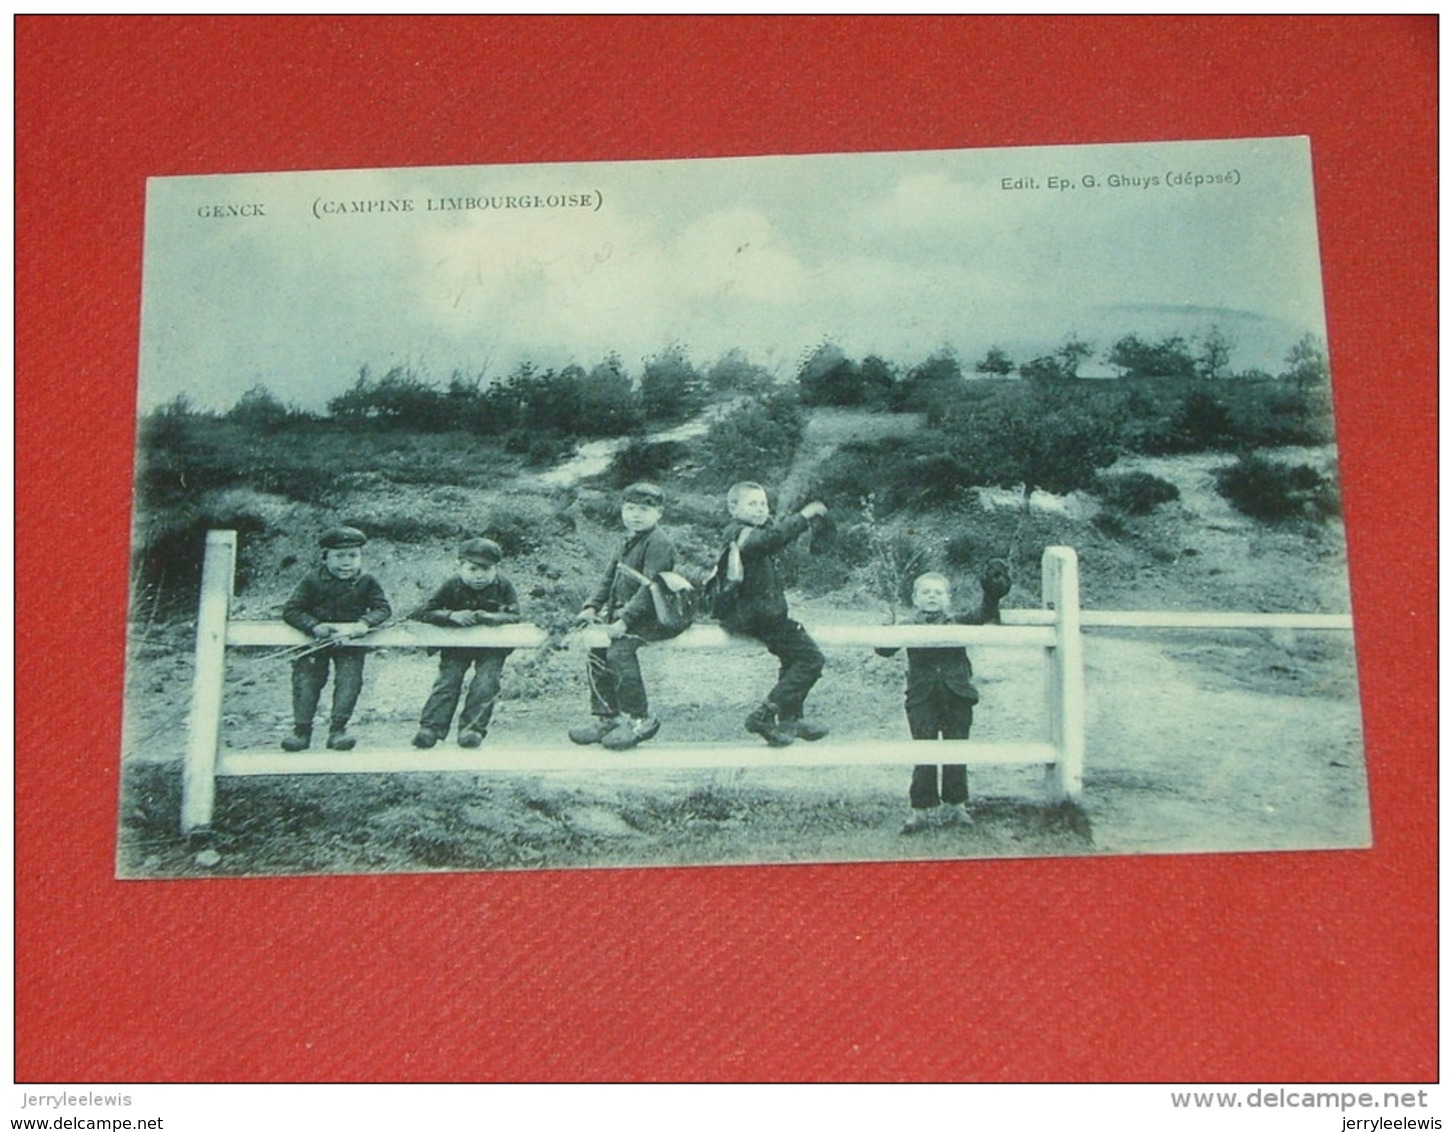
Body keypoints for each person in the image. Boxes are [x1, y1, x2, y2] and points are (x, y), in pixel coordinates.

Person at [877, 563, 1011, 831]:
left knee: (956, 749)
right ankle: (920, 811)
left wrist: (992, 594)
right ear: (914, 598)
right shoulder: (907, 625)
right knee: (923, 751)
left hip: (956, 696)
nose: (932, 596)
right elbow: (883, 649)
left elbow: (984, 614)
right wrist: (885, 629)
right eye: (925, 592)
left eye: (938, 592)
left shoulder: (959, 621)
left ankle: (957, 807)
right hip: (922, 698)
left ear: (948, 598)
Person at [717, 481, 830, 747]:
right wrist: (803, 517)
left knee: (793, 659)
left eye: (763, 504)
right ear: (733, 509)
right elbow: (770, 540)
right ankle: (764, 714)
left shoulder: (751, 531)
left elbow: (772, 536)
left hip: (757, 613)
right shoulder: (739, 533)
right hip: (759, 616)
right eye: (752, 504)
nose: (760, 509)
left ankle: (791, 719)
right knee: (812, 659)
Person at [568, 482, 678, 751]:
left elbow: (650, 587)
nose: (635, 515)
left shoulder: (659, 543)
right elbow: (609, 577)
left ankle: (640, 718)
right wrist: (592, 606)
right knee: (597, 649)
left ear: (659, 513)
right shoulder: (628, 539)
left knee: (618, 654)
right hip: (625, 615)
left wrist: (624, 620)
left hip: (653, 616)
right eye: (630, 508)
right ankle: (607, 717)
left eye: (643, 509)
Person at [280, 526, 392, 751]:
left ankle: (338, 731)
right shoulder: (312, 580)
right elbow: (291, 610)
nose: (347, 562)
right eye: (339, 556)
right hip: (316, 643)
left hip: (350, 644)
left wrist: (365, 623)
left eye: (353, 556)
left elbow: (383, 608)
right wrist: (314, 626)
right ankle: (301, 732)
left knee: (349, 683)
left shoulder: (367, 581)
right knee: (306, 682)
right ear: (325, 557)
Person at [410, 537, 521, 750]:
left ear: (496, 568)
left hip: (491, 648)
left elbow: (515, 614)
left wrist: (493, 618)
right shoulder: (452, 584)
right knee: (447, 682)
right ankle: (431, 728)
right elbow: (424, 611)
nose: (479, 575)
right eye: (472, 569)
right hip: (457, 645)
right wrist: (451, 615)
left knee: (486, 683)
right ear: (460, 566)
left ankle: (472, 729)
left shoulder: (503, 585)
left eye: (486, 569)